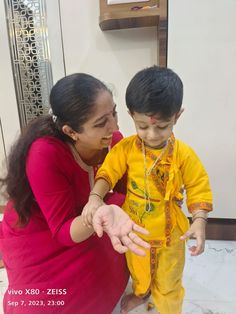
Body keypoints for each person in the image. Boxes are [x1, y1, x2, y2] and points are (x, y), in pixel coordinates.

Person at [0, 73, 150, 314]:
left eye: (114, 113)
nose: (115, 126)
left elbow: (128, 195)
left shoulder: (114, 142)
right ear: (71, 132)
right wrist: (100, 213)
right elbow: (61, 232)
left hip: (86, 218)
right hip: (44, 231)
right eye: (101, 122)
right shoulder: (45, 154)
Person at [82, 66, 213, 314]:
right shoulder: (127, 149)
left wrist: (199, 220)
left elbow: (198, 185)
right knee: (138, 269)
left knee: (169, 280)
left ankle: (168, 308)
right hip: (134, 228)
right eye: (142, 126)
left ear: (177, 116)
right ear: (132, 115)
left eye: (162, 127)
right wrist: (95, 197)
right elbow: (108, 173)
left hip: (170, 235)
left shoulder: (183, 154)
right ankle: (142, 293)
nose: (151, 134)